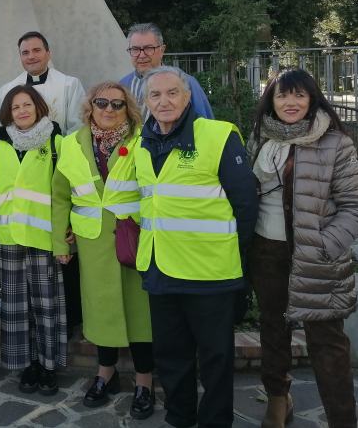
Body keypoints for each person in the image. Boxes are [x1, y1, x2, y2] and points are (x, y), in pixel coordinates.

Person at [105, 66, 257, 428]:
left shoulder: (217, 136)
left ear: (188, 97)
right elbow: (125, 197)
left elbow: (246, 205)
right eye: (155, 95)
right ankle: (179, 416)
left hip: (210, 272)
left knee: (216, 358)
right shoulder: (141, 143)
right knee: (171, 355)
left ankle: (216, 421)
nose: (164, 101)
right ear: (145, 103)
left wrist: (243, 264)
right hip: (160, 267)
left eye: (172, 93)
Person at [248, 69, 358, 428]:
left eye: (300, 95)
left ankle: (341, 418)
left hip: (317, 257)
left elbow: (355, 207)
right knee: (272, 329)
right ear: (271, 99)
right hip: (267, 251)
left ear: (312, 99)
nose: (291, 103)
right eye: (283, 95)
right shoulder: (258, 138)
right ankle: (278, 401)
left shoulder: (335, 143)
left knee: (327, 342)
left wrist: (325, 246)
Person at [51, 82, 154, 418]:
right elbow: (60, 196)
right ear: (90, 106)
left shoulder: (143, 139)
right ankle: (105, 373)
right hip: (91, 241)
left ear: (128, 109)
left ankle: (144, 381)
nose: (109, 109)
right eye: (101, 102)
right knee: (100, 311)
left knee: (140, 315)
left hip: (133, 238)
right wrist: (58, 241)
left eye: (117, 104)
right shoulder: (71, 144)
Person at [0, 85, 66, 395]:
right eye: (15, 107)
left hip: (43, 236)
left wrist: (67, 230)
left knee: (45, 306)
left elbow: (66, 191)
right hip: (9, 236)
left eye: (27, 105)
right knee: (16, 307)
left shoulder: (56, 142)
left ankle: (49, 366)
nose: (21, 111)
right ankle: (28, 365)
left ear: (38, 107)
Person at [0, 31, 86, 135]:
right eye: (25, 53)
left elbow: (78, 128)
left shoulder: (70, 85)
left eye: (36, 50)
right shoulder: (6, 90)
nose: (31, 56)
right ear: (21, 57)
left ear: (48, 54)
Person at [119, 23, 213, 121]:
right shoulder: (123, 85)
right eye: (135, 49)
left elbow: (205, 125)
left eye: (148, 48)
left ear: (162, 50)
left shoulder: (186, 83)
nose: (141, 55)